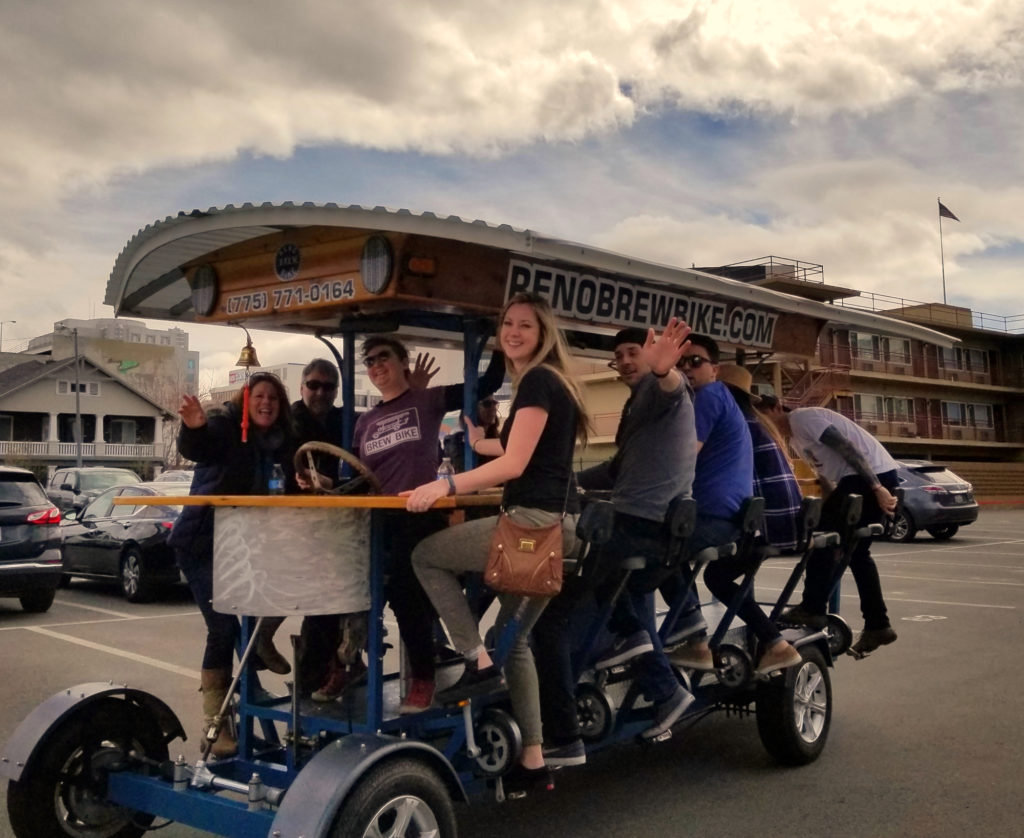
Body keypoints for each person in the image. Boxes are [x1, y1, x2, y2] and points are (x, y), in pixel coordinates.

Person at [406, 291, 589, 797]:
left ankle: (474, 660)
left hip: (530, 526)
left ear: (543, 333)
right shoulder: (551, 383)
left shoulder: (537, 381)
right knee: (517, 638)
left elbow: (514, 465)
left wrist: (444, 485)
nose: (513, 332)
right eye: (507, 323)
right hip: (558, 527)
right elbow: (516, 448)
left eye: (525, 325)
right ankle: (533, 759)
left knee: (425, 556)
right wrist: (479, 438)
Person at [533, 321, 697, 765]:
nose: (625, 362)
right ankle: (660, 685)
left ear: (649, 353)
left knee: (552, 607)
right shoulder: (637, 406)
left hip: (638, 527)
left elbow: (673, 388)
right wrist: (564, 482)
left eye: (632, 352)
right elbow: (614, 470)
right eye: (618, 356)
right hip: (648, 529)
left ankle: (563, 733)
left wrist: (665, 370)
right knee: (607, 595)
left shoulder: (659, 393)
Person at [351, 335, 506, 712]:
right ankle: (344, 666)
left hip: (420, 513)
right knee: (355, 595)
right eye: (369, 361)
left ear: (404, 361)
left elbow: (485, 386)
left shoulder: (428, 400)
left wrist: (498, 345)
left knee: (407, 596)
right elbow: (356, 475)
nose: (376, 366)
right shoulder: (365, 422)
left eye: (383, 357)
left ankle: (423, 677)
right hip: (379, 520)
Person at [169, 372, 295, 758]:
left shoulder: (279, 443)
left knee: (292, 577)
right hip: (203, 543)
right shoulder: (227, 426)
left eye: (273, 397)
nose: (266, 403)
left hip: (245, 544)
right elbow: (201, 445)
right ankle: (215, 723)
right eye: (259, 396)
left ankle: (261, 641)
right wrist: (193, 427)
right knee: (222, 627)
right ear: (246, 400)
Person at [763, 403, 900, 657]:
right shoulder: (796, 437)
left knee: (823, 540)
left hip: (868, 476)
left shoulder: (803, 418)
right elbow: (826, 479)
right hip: (862, 479)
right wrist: (826, 507)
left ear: (774, 408)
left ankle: (813, 608)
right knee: (857, 552)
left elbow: (849, 449)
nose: (764, 425)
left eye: (763, 417)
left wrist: (876, 487)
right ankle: (878, 624)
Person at [701, 364, 803, 675]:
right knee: (717, 572)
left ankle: (772, 642)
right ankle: (773, 642)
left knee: (708, 573)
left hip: (765, 525)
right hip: (786, 523)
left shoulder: (735, 426)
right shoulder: (759, 424)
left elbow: (742, 489)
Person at [661, 335, 753, 670]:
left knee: (647, 551)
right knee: (660, 550)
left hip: (713, 517)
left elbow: (682, 459)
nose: (686, 368)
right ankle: (691, 634)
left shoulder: (709, 395)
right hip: (729, 518)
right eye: (680, 362)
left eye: (695, 361)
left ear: (715, 369)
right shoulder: (721, 399)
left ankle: (692, 638)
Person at [288, 359, 368, 700]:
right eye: (313, 385)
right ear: (302, 386)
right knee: (320, 608)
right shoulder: (288, 421)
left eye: (328, 387)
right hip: (298, 526)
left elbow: (360, 471)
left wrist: (332, 484)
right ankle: (311, 684)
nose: (320, 392)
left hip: (343, 523)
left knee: (356, 595)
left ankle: (347, 664)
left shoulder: (346, 421)